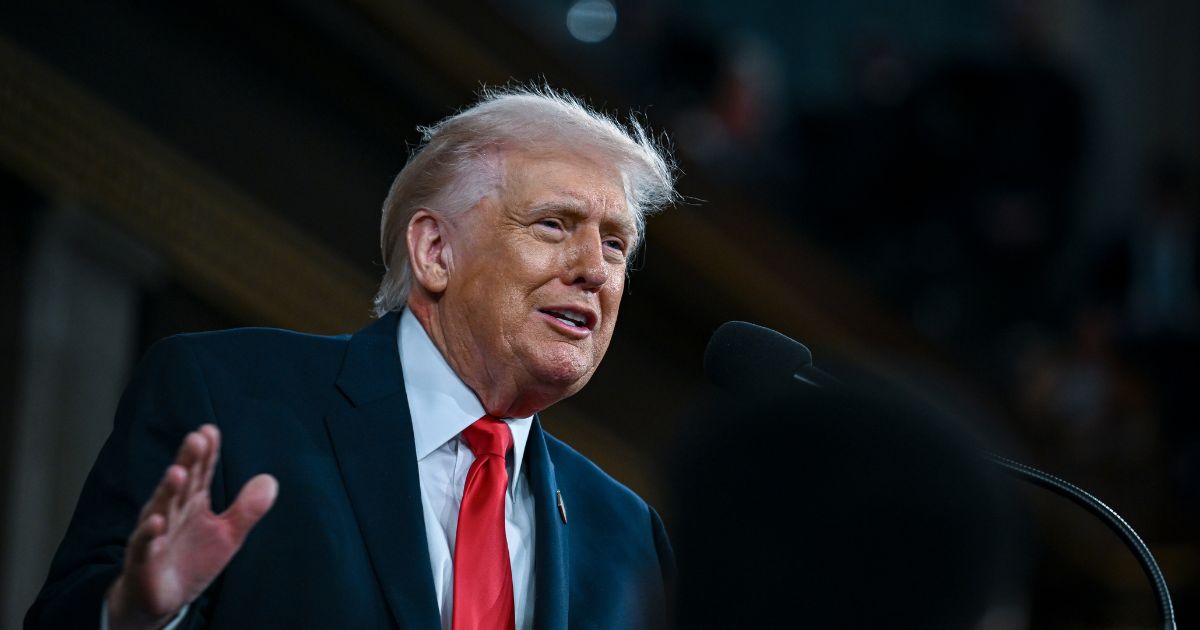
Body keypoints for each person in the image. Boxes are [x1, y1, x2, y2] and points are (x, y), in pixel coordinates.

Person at [26, 87, 678, 630]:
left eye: (616, 245)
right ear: (435, 252)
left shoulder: (624, 537)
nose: (595, 270)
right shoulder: (228, 400)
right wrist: (137, 617)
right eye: (554, 225)